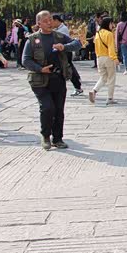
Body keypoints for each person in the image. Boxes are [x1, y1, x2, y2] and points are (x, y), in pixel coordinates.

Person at [22, 11, 82, 150]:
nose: (49, 23)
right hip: (40, 80)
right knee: (47, 107)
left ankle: (58, 138)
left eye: (50, 20)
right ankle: (45, 136)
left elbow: (77, 44)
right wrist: (40, 69)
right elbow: (25, 60)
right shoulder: (32, 40)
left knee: (59, 110)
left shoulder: (59, 37)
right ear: (39, 23)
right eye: (45, 21)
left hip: (58, 78)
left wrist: (64, 47)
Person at [52, 14, 84, 96]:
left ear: (56, 20)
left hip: (65, 51)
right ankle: (77, 84)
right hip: (62, 51)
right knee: (70, 68)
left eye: (52, 21)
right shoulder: (58, 29)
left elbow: (60, 41)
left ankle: (77, 86)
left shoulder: (62, 29)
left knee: (68, 68)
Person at [90, 16, 118, 105]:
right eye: (111, 23)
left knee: (103, 77)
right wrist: (115, 58)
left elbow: (95, 46)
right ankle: (110, 98)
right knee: (111, 78)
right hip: (108, 58)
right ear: (108, 24)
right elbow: (111, 48)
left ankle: (94, 91)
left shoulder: (97, 33)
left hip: (99, 57)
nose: (112, 25)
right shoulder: (109, 34)